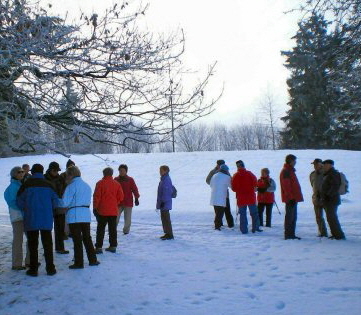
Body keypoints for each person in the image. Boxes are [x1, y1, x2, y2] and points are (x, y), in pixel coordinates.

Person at [17, 164, 58, 276]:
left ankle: (33, 269)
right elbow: (56, 202)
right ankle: (50, 268)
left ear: (33, 172)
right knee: (48, 245)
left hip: (31, 218)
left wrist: (26, 208)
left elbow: (19, 202)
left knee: (33, 245)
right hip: (46, 219)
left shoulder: (26, 185)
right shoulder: (49, 185)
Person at [62, 166, 100, 268]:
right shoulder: (86, 186)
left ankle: (79, 263)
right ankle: (93, 259)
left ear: (70, 175)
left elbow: (65, 202)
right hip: (85, 214)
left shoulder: (71, 186)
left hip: (74, 215)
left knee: (77, 240)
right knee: (87, 238)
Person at [4, 166, 30, 270]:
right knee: (18, 240)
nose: (22, 173)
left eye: (23, 172)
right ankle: (16, 264)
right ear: (14, 174)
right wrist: (24, 208)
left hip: (25, 216)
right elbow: (12, 203)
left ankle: (29, 261)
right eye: (19, 172)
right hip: (17, 217)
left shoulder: (21, 185)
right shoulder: (12, 187)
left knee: (31, 238)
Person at [94, 167, 124, 253]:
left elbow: (97, 197)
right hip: (113, 210)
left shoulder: (100, 183)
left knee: (100, 229)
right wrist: (115, 202)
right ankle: (113, 245)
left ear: (104, 174)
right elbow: (121, 197)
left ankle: (99, 247)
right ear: (111, 174)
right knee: (112, 229)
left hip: (102, 211)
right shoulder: (117, 184)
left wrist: (95, 207)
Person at [231, 160, 262, 234]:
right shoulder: (249, 174)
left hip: (241, 198)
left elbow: (234, 189)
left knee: (243, 214)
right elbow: (255, 183)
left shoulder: (235, 175)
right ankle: (256, 228)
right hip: (251, 197)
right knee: (254, 213)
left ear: (237, 166)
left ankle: (244, 230)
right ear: (243, 165)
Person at [45, 161, 69, 254]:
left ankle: (60, 248)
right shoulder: (44, 178)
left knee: (60, 228)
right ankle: (47, 249)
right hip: (47, 206)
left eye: (57, 170)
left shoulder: (60, 179)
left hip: (59, 206)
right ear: (50, 170)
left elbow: (65, 190)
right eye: (54, 170)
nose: (56, 172)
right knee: (46, 230)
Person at [280, 154, 303, 240]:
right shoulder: (286, 171)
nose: (295, 162)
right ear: (290, 161)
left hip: (293, 198)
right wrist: (290, 198)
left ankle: (291, 234)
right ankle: (288, 235)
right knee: (290, 217)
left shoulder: (290, 171)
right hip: (291, 199)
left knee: (293, 217)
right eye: (294, 160)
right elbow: (286, 186)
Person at [321, 160, 346, 240]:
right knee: (330, 218)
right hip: (330, 200)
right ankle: (335, 234)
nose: (324, 166)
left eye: (325, 165)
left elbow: (335, 186)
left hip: (332, 200)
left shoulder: (333, 174)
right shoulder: (329, 174)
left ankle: (339, 236)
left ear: (330, 165)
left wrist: (328, 195)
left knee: (332, 218)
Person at [206, 159, 234, 228]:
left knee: (227, 210)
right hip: (218, 193)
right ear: (217, 165)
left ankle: (230, 224)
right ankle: (219, 225)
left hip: (225, 194)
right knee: (218, 211)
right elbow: (208, 180)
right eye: (221, 164)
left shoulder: (226, 172)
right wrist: (217, 186)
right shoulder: (213, 172)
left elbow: (230, 180)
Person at [114, 164, 140, 235]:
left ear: (126, 171)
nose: (121, 172)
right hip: (118, 202)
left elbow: (134, 189)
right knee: (115, 217)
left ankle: (126, 231)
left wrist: (136, 198)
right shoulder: (116, 179)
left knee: (127, 219)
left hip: (128, 202)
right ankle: (112, 230)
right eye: (120, 170)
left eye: (123, 170)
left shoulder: (130, 180)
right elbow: (112, 190)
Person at [309, 158, 328, 237]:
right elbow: (312, 185)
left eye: (316, 164)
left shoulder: (326, 173)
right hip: (316, 198)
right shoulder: (312, 174)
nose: (315, 166)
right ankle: (322, 232)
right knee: (318, 217)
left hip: (326, 198)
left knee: (330, 217)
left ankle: (335, 233)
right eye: (314, 164)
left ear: (321, 164)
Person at [156, 165, 174, 240]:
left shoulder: (166, 179)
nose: (160, 172)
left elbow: (166, 192)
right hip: (163, 203)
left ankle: (169, 234)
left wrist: (163, 202)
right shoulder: (164, 179)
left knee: (166, 218)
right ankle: (167, 233)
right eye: (160, 170)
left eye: (161, 170)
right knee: (164, 218)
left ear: (166, 171)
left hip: (165, 203)